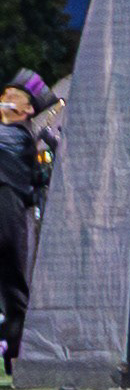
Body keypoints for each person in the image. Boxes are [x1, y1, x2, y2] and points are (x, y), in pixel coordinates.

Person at [0, 70, 57, 371]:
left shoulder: (19, 136)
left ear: (28, 109)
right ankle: (16, 355)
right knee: (13, 292)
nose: (6, 98)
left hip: (7, 215)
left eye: (15, 95)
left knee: (14, 291)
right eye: (5, 93)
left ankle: (17, 355)